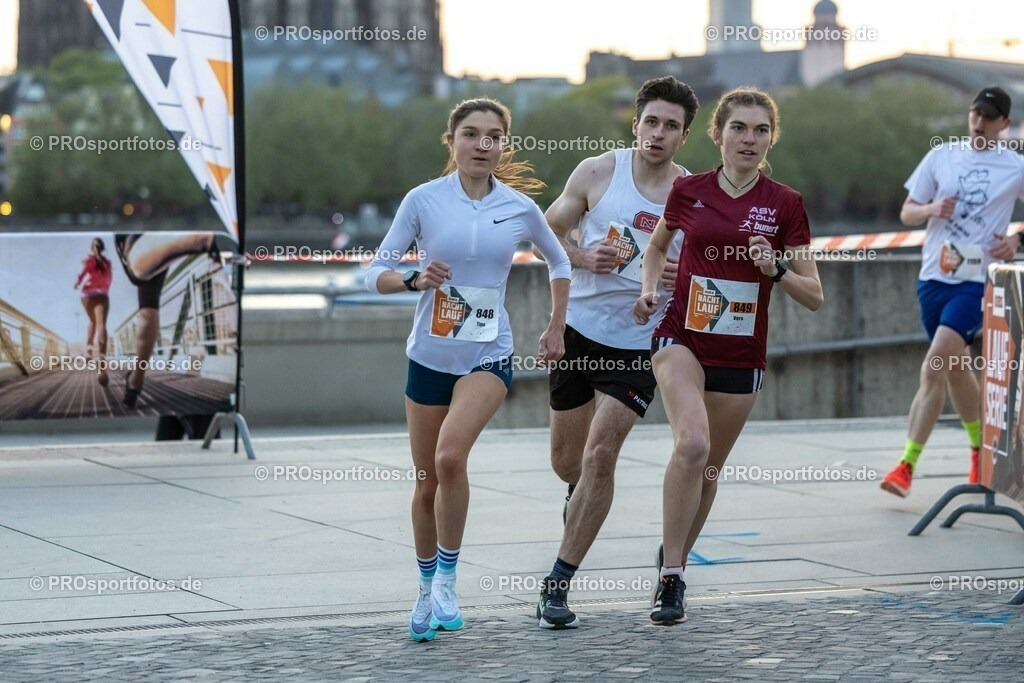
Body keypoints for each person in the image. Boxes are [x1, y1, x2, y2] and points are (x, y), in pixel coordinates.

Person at [365, 98, 571, 642]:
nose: (483, 145)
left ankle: (450, 579)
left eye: (494, 136)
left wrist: (556, 325)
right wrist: (413, 280)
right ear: (451, 141)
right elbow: (375, 272)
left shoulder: (520, 207)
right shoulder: (423, 201)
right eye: (472, 135)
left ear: (504, 145)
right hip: (429, 356)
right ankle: (425, 586)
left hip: (487, 353)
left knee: (450, 456)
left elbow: (560, 260)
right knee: (427, 480)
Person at [634, 87, 824, 625]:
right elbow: (656, 247)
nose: (749, 139)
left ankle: (674, 553)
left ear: (771, 139)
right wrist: (650, 290)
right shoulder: (688, 190)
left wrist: (778, 270)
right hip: (682, 338)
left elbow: (815, 296)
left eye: (761, 130)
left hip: (742, 353)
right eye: (738, 128)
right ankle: (672, 579)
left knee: (710, 467)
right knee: (691, 445)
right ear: (717, 135)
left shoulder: (786, 204)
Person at [534, 76, 699, 630]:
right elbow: (546, 233)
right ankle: (578, 498)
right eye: (651, 121)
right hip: (580, 330)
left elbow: (714, 273)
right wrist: (583, 257)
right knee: (569, 464)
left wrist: (681, 276)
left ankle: (556, 583)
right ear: (636, 125)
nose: (658, 133)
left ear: (684, 137)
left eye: (671, 126)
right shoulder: (597, 172)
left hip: (639, 343)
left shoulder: (691, 193)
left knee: (602, 455)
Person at [881, 87, 1024, 497]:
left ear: (1004, 125)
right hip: (933, 278)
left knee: (934, 365)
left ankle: (906, 466)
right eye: (975, 114)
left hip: (977, 283)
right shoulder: (941, 156)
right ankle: (981, 452)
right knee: (958, 369)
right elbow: (908, 210)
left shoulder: (1014, 166)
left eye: (989, 117)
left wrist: (1016, 241)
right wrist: (930, 210)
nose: (979, 122)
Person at [115, 232, 216, 408]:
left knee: (148, 310)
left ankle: (135, 381)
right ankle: (135, 380)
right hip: (138, 249)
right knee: (204, 239)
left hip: (136, 251)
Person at [74, 237, 113, 387]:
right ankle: (102, 360)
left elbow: (81, 275)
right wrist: (104, 290)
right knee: (101, 324)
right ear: (103, 249)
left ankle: (89, 348)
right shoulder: (107, 263)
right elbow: (109, 279)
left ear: (92, 248)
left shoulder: (88, 261)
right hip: (102, 295)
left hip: (86, 297)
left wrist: (77, 284)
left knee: (92, 321)